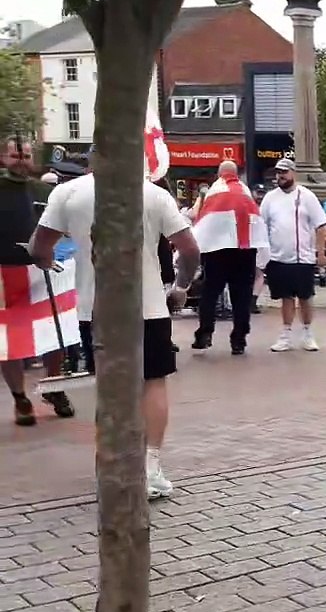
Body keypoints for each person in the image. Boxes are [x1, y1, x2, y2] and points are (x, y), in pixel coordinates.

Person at [30, 150, 200, 498]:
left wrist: (48, 261)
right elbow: (189, 248)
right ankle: (150, 465)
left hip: (96, 309)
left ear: (89, 163)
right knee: (153, 382)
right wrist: (180, 285)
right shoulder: (154, 193)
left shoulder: (68, 193)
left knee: (108, 387)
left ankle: (115, 463)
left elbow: (39, 246)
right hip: (148, 305)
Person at [0, 134, 74, 425]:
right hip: (4, 273)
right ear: (5, 157)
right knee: (7, 340)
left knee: (55, 334)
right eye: (16, 156)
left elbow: (63, 228)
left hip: (43, 271)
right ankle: (20, 398)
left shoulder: (46, 190)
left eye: (26, 156)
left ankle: (53, 387)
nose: (21, 161)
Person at [190, 160, 267, 356]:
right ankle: (239, 339)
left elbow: (201, 217)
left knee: (210, 292)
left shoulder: (213, 191)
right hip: (244, 249)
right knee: (241, 296)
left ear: (219, 174)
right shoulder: (245, 192)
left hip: (217, 250)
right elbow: (255, 219)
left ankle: (205, 332)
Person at [260, 159, 326, 353]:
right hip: (279, 257)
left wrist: (321, 253)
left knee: (306, 297)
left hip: (303, 258)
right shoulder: (270, 198)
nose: (280, 176)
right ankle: (286, 334)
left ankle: (308, 333)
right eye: (277, 173)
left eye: (284, 172)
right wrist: (262, 254)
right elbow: (261, 225)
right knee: (285, 297)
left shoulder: (307, 196)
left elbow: (321, 226)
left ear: (293, 173)